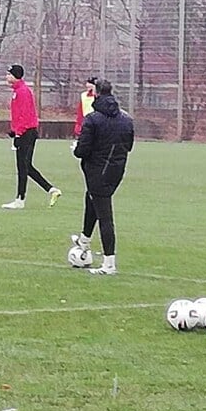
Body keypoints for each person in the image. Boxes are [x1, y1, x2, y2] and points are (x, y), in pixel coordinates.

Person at [71, 79, 135, 275]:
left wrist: (77, 148)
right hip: (116, 170)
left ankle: (109, 264)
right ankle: (84, 239)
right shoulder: (126, 119)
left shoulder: (92, 119)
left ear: (96, 94)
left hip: (98, 171)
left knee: (104, 215)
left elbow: (81, 151)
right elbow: (129, 146)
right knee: (92, 199)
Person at [2, 63, 61, 209]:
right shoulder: (18, 91)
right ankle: (51, 189)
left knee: (23, 166)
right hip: (24, 131)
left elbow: (25, 115)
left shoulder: (22, 92)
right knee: (26, 166)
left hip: (27, 133)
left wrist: (18, 133)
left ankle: (20, 199)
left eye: (9, 74)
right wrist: (14, 130)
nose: (6, 76)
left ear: (15, 76)